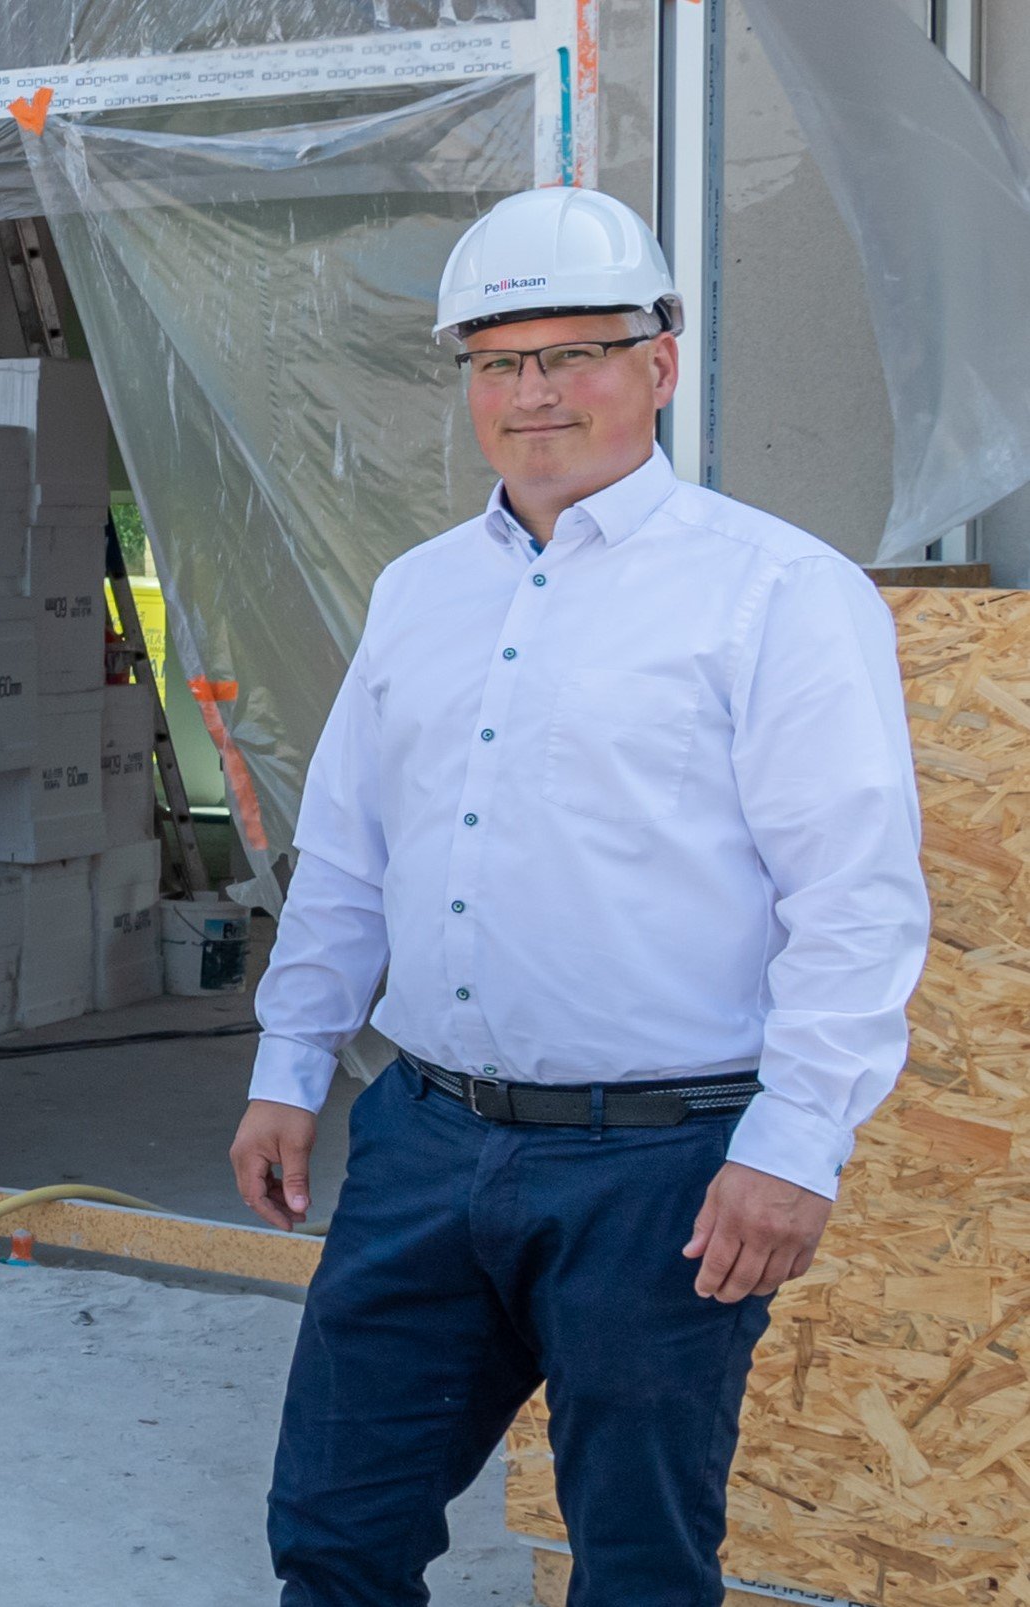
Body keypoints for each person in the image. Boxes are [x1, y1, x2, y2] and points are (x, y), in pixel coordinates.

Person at [225, 184, 928, 1605]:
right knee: (336, 1528)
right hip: (424, 1138)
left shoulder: (776, 595)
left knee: (636, 1563)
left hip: (660, 1169)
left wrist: (797, 1147)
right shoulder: (421, 593)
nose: (534, 392)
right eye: (499, 361)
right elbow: (353, 854)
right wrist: (288, 1065)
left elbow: (852, 896)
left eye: (575, 353)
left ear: (656, 365)